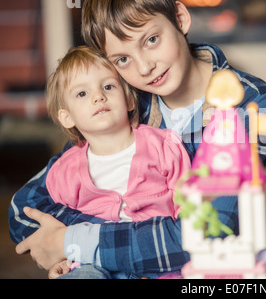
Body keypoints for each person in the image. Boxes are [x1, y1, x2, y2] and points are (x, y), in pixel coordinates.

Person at [9, 0, 266, 279]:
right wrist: (80, 241)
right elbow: (22, 210)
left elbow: (207, 235)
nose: (144, 67)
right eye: (122, 59)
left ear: (180, 19)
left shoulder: (249, 102)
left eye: (151, 40)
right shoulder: (127, 104)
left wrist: (74, 241)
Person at [44, 45, 190, 278]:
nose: (98, 96)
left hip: (156, 259)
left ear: (129, 100)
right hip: (93, 261)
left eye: (108, 87)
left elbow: (188, 202)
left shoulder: (163, 145)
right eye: (82, 93)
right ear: (67, 117)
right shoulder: (65, 171)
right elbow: (59, 221)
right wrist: (65, 257)